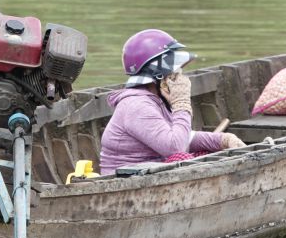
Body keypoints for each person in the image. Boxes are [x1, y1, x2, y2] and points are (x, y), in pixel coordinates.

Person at [99, 29, 245, 176]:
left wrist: (222, 140)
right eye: (174, 74)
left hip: (150, 173)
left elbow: (184, 136)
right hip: (127, 180)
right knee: (184, 159)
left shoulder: (156, 99)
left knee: (207, 152)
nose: (178, 78)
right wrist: (181, 103)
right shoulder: (137, 105)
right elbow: (176, 148)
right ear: (160, 76)